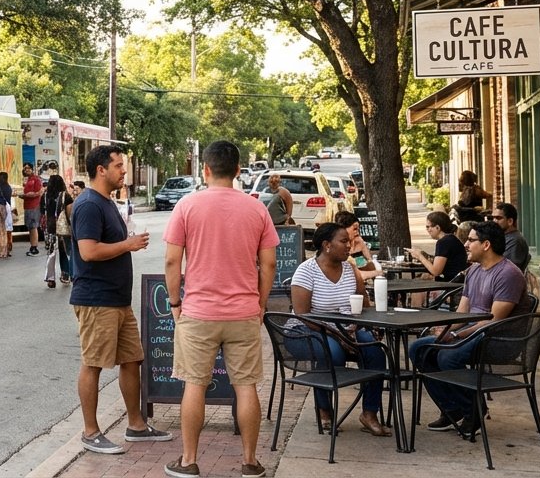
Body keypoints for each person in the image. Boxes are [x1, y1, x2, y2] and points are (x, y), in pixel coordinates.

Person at [163, 140, 276, 478]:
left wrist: (174, 303)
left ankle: (188, 461)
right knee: (246, 386)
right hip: (243, 312)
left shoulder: (187, 206)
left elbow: (172, 260)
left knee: (194, 385)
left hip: (197, 311)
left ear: (206, 170)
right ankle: (250, 462)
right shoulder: (256, 209)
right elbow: (268, 264)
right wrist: (260, 303)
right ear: (239, 171)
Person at [71, 144, 173, 455]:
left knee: (132, 359)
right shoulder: (89, 204)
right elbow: (88, 252)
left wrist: (127, 244)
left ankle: (136, 425)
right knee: (94, 364)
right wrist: (127, 245)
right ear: (101, 170)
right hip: (96, 299)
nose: (123, 171)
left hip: (117, 300)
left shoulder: (107, 203)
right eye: (118, 166)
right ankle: (90, 432)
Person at [410, 221, 526, 437]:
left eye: (471, 240)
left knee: (447, 356)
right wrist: (445, 330)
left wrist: (455, 335)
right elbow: (463, 314)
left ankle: (472, 409)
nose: (465, 244)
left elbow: (493, 320)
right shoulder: (473, 271)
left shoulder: (508, 274)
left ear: (486, 245)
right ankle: (453, 409)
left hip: (498, 339)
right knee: (418, 349)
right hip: (475, 330)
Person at [286, 222, 391, 437]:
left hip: (346, 328)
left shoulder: (350, 269)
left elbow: (364, 304)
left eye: (350, 241)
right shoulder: (306, 271)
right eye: (343, 241)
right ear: (326, 245)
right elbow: (303, 314)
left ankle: (370, 413)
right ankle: (325, 410)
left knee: (375, 352)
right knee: (331, 351)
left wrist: (369, 327)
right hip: (307, 329)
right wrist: (336, 335)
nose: (349, 246)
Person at [408, 211, 468, 283]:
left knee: (417, 283)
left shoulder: (443, 242)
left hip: (450, 284)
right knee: (420, 278)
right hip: (455, 281)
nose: (427, 230)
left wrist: (420, 256)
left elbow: (436, 271)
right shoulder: (451, 239)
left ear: (437, 227)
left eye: (428, 227)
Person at [42, 174, 69, 288]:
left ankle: (50, 278)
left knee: (51, 253)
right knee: (64, 252)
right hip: (62, 227)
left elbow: (41, 210)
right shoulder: (65, 196)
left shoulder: (45, 196)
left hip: (50, 227)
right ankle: (65, 274)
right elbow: (70, 211)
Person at [492, 202, 531, 271]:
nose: (494, 221)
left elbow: (506, 269)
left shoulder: (515, 241)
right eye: (493, 218)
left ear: (510, 221)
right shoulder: (505, 237)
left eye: (498, 218)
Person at [23, 163, 44, 256]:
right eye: (25, 168)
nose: (26, 170)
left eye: (28, 168)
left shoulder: (36, 179)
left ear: (32, 169)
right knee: (30, 227)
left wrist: (28, 195)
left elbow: (38, 192)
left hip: (34, 206)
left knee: (34, 226)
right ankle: (32, 246)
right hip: (27, 205)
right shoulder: (27, 180)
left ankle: (35, 247)